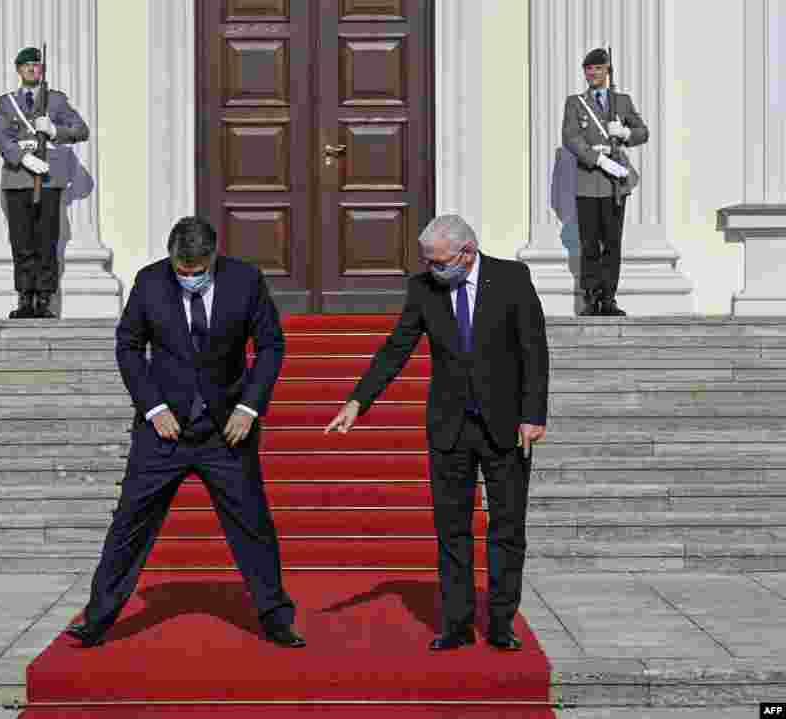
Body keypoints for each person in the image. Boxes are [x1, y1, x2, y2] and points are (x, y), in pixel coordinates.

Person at [66, 216, 304, 650]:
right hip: (163, 431)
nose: (189, 278)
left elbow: (271, 345)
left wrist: (249, 407)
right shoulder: (151, 282)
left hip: (225, 431)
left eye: (197, 272)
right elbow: (129, 345)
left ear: (214, 257)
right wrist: (152, 406)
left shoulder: (244, 281)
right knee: (129, 525)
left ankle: (275, 617)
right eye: (182, 271)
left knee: (253, 525)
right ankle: (97, 617)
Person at [325, 215, 549, 652]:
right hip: (450, 427)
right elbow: (397, 347)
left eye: (439, 262)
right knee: (452, 529)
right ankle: (457, 624)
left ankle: (501, 622)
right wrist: (358, 401)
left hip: (506, 425)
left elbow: (533, 350)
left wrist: (533, 414)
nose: (432, 269)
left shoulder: (511, 278)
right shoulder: (423, 288)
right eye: (428, 262)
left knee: (506, 528)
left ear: (467, 254)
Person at [0, 46, 89, 319]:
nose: (32, 69)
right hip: (18, 179)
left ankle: (44, 299)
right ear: (18, 70)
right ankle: (25, 298)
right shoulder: (7, 102)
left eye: (36, 65)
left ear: (41, 69)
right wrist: (22, 158)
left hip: (47, 180)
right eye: (26, 66)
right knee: (21, 241)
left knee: (46, 240)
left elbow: (82, 130)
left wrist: (56, 130)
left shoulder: (56, 101)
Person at [563, 47, 649, 317]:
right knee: (589, 243)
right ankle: (591, 299)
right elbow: (571, 137)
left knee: (612, 243)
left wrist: (623, 132)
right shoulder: (576, 103)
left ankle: (609, 298)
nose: (592, 73)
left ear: (607, 71)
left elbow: (642, 132)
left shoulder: (621, 101)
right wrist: (597, 160)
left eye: (598, 68)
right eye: (588, 69)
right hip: (589, 182)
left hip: (614, 185)